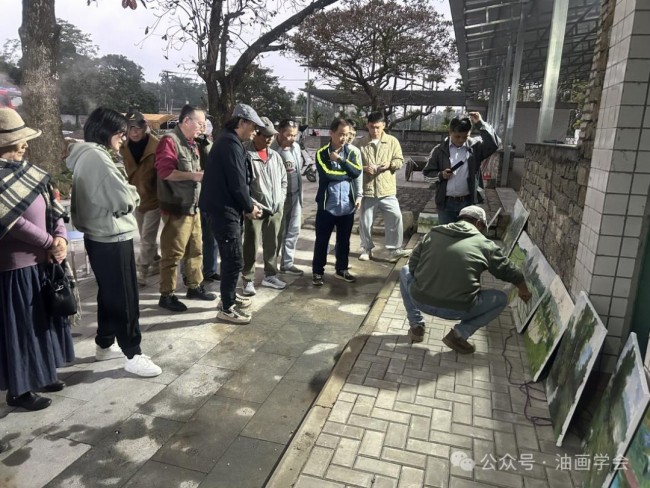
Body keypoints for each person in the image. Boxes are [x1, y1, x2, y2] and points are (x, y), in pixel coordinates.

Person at [67, 107, 161, 377]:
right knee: (125, 296)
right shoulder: (98, 158)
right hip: (110, 235)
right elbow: (123, 199)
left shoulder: (87, 155)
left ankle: (104, 344)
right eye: (121, 132)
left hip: (101, 234)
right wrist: (133, 194)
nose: (124, 137)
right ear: (106, 132)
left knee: (109, 292)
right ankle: (133, 352)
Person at [0, 108, 74, 411]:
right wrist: (48, 242)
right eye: (18, 143)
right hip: (15, 268)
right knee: (23, 328)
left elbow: (53, 207)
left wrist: (61, 238)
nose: (24, 146)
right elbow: (11, 221)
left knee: (44, 322)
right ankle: (19, 389)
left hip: (43, 262)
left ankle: (43, 373)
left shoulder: (32, 173)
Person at [400, 205, 531, 351]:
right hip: (457, 310)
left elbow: (412, 267)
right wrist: (523, 289)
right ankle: (459, 335)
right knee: (500, 299)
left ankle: (416, 325)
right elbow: (508, 271)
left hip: (421, 301)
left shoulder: (432, 234)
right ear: (479, 223)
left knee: (404, 271)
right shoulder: (485, 245)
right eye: (482, 228)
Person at [200, 103, 264, 324]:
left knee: (231, 258)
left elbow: (237, 183)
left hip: (223, 208)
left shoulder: (230, 141)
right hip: (223, 210)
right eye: (254, 127)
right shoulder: (230, 144)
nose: (255, 131)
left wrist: (247, 203)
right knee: (233, 259)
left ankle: (228, 297)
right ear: (242, 122)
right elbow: (237, 184)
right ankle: (226, 308)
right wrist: (249, 207)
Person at [155, 104, 217, 312]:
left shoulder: (192, 143)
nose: (202, 127)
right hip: (176, 208)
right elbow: (166, 172)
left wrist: (205, 142)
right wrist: (193, 175)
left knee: (195, 249)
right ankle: (167, 294)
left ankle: (194, 285)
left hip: (193, 205)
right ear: (186, 121)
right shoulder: (169, 141)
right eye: (200, 123)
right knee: (173, 253)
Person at [422, 112, 500, 224]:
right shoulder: (439, 150)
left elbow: (494, 144)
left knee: (465, 238)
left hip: (468, 203)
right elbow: (426, 175)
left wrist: (480, 123)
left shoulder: (475, 148)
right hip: (446, 204)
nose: (460, 140)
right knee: (447, 237)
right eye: (457, 136)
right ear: (450, 132)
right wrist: (441, 175)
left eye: (465, 137)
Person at [311, 118, 362, 286]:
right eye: (340, 134)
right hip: (327, 205)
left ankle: (342, 269)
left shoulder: (352, 152)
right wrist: (347, 174)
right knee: (322, 240)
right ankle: (318, 271)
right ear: (331, 133)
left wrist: (340, 161)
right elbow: (326, 175)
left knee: (344, 240)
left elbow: (356, 172)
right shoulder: (321, 153)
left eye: (346, 135)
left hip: (347, 205)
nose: (344, 138)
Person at [241, 117, 288, 296]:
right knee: (251, 244)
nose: (269, 139)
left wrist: (281, 200)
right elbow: (243, 184)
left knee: (272, 244)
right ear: (256, 134)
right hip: (255, 209)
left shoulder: (275, 156)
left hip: (275, 208)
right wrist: (251, 204)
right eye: (266, 135)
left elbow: (284, 181)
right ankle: (247, 279)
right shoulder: (246, 154)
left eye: (271, 136)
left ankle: (270, 275)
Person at [356, 112, 410, 262]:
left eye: (378, 127)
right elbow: (352, 163)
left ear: (384, 125)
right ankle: (366, 248)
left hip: (387, 189)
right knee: (365, 222)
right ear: (367, 125)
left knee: (395, 217)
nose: (375, 131)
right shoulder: (360, 143)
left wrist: (390, 164)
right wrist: (364, 167)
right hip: (368, 189)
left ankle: (394, 249)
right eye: (372, 127)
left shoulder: (392, 141)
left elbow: (400, 160)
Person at [119, 111, 161, 287]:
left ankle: (140, 271)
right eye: (130, 129)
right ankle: (157, 261)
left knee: (146, 238)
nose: (134, 133)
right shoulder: (123, 147)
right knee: (146, 236)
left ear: (145, 128)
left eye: (137, 129)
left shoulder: (157, 146)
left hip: (154, 199)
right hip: (136, 199)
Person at [271, 119, 304, 277]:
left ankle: (287, 263)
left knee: (293, 230)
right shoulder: (271, 149)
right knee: (277, 232)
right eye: (289, 135)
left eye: (294, 135)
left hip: (296, 196)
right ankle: (271, 267)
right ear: (279, 132)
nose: (292, 138)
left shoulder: (296, 147)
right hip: (279, 198)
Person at [195, 120, 220, 283]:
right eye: (200, 125)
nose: (202, 129)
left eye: (205, 126)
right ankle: (190, 274)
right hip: (192, 198)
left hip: (209, 197)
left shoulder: (211, 145)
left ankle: (210, 270)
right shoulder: (184, 144)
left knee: (211, 236)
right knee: (193, 240)